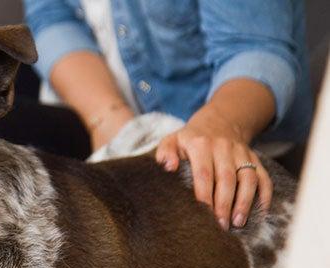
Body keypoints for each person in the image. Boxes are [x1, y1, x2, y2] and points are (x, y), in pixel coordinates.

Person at [23, 0, 314, 230]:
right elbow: (49, 14)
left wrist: (220, 126)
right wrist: (107, 117)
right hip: (100, 108)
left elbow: (253, 48)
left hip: (215, 131)